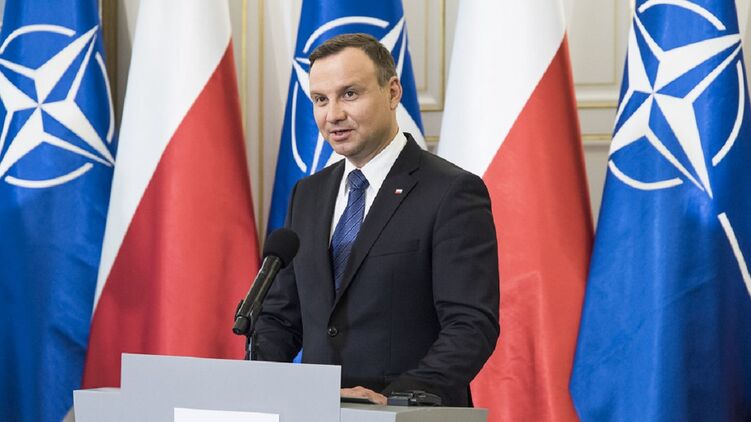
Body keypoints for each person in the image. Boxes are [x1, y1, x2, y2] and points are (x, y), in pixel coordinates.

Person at [254, 33, 499, 407]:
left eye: (349, 94)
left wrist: (393, 399)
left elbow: (471, 325)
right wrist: (262, 387)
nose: (333, 114)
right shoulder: (308, 194)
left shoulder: (451, 192)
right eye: (320, 99)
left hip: (408, 413)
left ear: (393, 92)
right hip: (319, 411)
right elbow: (280, 319)